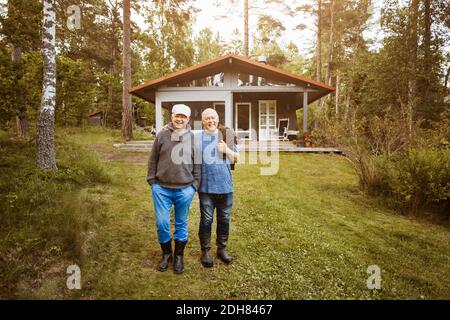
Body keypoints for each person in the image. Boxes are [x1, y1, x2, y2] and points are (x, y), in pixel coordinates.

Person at [147, 104, 201, 274]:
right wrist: (153, 182)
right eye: (177, 116)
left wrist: (194, 186)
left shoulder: (193, 138)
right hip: (161, 188)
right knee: (162, 223)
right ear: (171, 116)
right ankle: (166, 254)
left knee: (181, 223)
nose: (179, 119)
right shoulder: (162, 135)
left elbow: (198, 165)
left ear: (188, 119)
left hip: (185, 189)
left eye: (183, 117)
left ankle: (179, 257)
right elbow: (153, 159)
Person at [198, 108, 239, 268]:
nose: (210, 121)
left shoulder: (226, 136)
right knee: (206, 220)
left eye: (213, 118)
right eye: (207, 118)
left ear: (217, 119)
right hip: (206, 188)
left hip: (226, 187)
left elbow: (238, 158)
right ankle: (206, 251)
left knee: (224, 219)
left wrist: (226, 150)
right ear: (203, 121)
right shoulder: (197, 138)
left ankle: (222, 249)